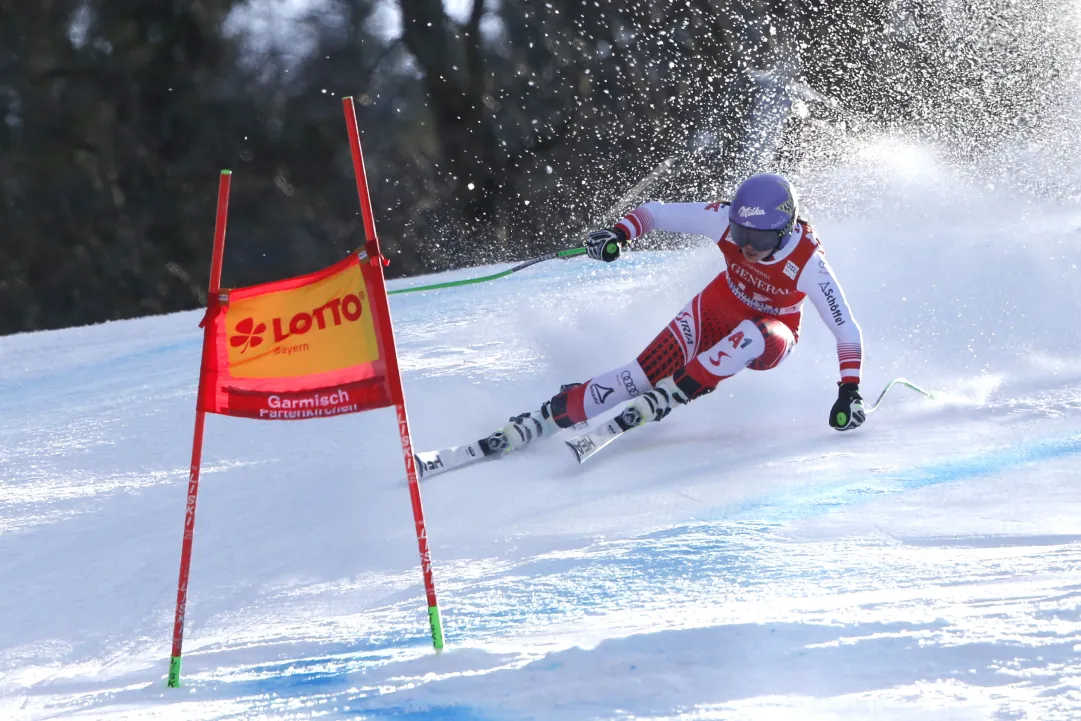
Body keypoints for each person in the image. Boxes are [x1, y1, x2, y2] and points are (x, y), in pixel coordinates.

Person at [486, 172, 865, 453]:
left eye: (760, 239)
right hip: (718, 306)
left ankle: (676, 391)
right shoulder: (722, 219)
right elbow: (655, 214)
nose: (747, 247)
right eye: (740, 234)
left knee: (753, 333)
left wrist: (850, 391)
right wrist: (619, 234)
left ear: (783, 232)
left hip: (772, 333)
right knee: (635, 378)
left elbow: (846, 329)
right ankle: (543, 420)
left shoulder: (809, 261)